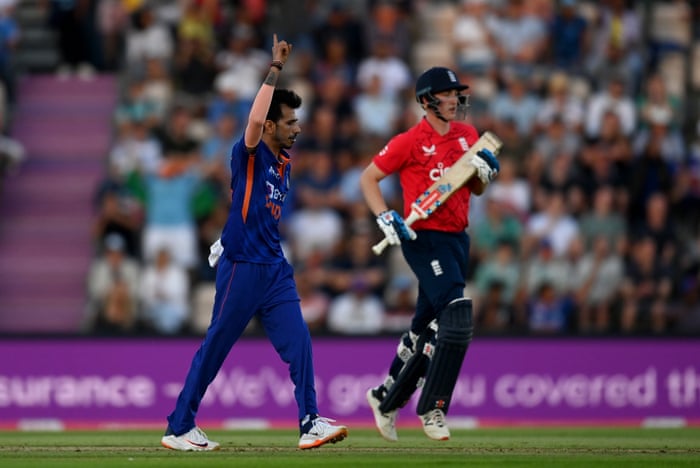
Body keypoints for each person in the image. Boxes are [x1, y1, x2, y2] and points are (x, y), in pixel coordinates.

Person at [161, 34, 348, 452]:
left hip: (274, 269)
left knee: (299, 342)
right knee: (216, 348)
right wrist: (276, 68)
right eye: (290, 122)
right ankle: (179, 426)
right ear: (269, 126)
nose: (298, 128)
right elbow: (251, 125)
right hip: (242, 266)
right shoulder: (250, 155)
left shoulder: (282, 163)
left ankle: (309, 421)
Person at [359, 66, 500, 441]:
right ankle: (433, 408)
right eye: (447, 94)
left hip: (457, 238)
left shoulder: (468, 135)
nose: (455, 99)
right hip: (422, 237)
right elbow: (368, 178)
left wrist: (483, 175)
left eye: (457, 93)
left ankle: (385, 397)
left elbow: (475, 190)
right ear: (426, 101)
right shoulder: (409, 141)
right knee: (456, 313)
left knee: (426, 327)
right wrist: (384, 215)